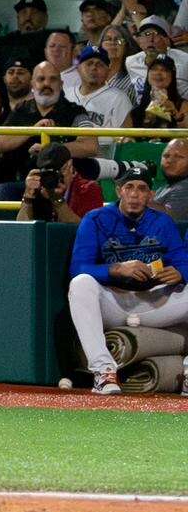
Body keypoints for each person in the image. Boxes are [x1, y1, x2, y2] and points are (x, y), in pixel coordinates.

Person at [68, 164, 188, 395]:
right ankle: (103, 372)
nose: (135, 194)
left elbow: (182, 260)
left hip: (154, 303)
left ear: (150, 194)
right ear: (118, 190)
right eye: (129, 187)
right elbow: (78, 267)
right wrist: (116, 269)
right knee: (81, 284)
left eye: (142, 188)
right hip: (114, 302)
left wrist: (181, 272)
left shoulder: (162, 222)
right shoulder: (96, 219)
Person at [14, 143, 104, 224]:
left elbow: (85, 231)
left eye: (58, 170)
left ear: (70, 166)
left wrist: (58, 201)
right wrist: (27, 198)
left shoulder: (89, 189)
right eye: (48, 172)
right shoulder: (39, 185)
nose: (54, 176)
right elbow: (23, 231)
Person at [152, 138, 188, 220]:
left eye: (179, 157)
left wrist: (139, 200)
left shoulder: (185, 187)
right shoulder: (165, 188)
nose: (170, 160)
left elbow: (168, 219)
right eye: (166, 156)